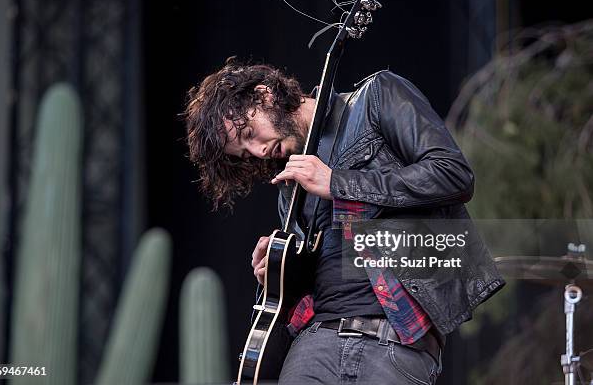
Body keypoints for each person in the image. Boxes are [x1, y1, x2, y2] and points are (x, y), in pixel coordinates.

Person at [183, 57, 504, 384]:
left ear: (264, 95)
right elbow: (306, 289)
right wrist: (279, 273)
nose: (260, 151)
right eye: (246, 153)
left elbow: (453, 175)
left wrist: (337, 182)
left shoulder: (377, 98)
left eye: (250, 133)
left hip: (394, 340)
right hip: (314, 344)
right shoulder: (290, 190)